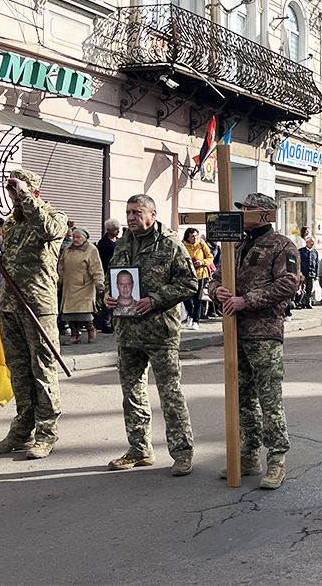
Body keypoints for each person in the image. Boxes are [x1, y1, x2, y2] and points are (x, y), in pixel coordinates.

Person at [101, 194, 197, 475]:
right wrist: (107, 297)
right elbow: (112, 278)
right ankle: (139, 449)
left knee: (170, 394)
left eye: (137, 212)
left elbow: (189, 282)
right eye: (128, 212)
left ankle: (182, 452)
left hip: (160, 332)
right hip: (127, 331)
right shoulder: (122, 244)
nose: (131, 217)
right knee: (132, 394)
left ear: (153, 214)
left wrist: (155, 299)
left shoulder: (169, 244)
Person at [213, 192, 300, 489]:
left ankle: (277, 461)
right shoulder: (234, 243)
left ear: (264, 213)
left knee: (269, 399)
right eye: (243, 209)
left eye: (248, 209)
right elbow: (215, 276)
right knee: (243, 398)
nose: (244, 214)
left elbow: (289, 283)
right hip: (234, 333)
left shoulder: (281, 245)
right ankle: (249, 455)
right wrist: (218, 292)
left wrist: (245, 300)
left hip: (264, 333)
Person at [0, 169, 67, 459]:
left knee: (42, 370)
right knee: (19, 371)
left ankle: (46, 433)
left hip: (38, 306)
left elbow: (49, 232)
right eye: (12, 193)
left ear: (34, 193)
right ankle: (22, 429)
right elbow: (12, 264)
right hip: (9, 304)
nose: (14, 199)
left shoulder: (55, 217)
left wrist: (26, 195)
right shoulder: (10, 225)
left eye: (19, 193)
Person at [58, 228, 103, 344]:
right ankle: (74, 336)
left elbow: (96, 268)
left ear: (85, 238)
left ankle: (91, 330)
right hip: (69, 286)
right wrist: (59, 280)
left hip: (84, 286)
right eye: (74, 237)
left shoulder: (91, 250)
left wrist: (99, 284)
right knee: (69, 313)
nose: (75, 239)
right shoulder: (68, 249)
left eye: (78, 237)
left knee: (84, 313)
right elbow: (61, 265)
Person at [182, 227, 213, 331]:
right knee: (185, 297)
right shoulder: (182, 245)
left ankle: (196, 321)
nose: (195, 238)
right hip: (188, 275)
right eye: (192, 236)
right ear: (187, 237)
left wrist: (202, 262)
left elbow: (210, 257)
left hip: (201, 274)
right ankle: (190, 314)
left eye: (196, 236)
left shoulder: (201, 244)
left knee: (198, 299)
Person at [95, 219, 120, 333]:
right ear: (109, 230)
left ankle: (114, 322)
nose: (118, 231)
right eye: (115, 229)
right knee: (108, 298)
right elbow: (103, 260)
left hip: (118, 272)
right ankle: (105, 323)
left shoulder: (118, 241)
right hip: (108, 272)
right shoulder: (103, 243)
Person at [298, 237, 318, 309]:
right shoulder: (301, 251)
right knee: (303, 288)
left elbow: (316, 263)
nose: (312, 243)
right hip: (303, 273)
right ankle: (302, 302)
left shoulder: (315, 252)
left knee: (310, 289)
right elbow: (298, 263)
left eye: (313, 242)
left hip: (311, 273)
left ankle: (307, 303)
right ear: (307, 242)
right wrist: (299, 272)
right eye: (311, 242)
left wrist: (316, 274)